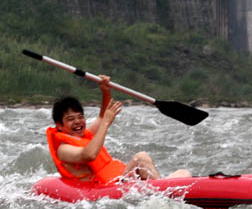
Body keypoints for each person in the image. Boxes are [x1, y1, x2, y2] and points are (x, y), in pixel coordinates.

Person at [47, 76, 190, 183]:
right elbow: (88, 155)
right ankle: (165, 195)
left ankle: (163, 189)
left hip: (118, 180)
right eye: (71, 119)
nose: (78, 122)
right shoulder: (63, 149)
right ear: (59, 125)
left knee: (184, 173)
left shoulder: (83, 136)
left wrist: (105, 91)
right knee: (141, 158)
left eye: (80, 117)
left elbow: (103, 116)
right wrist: (106, 123)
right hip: (107, 187)